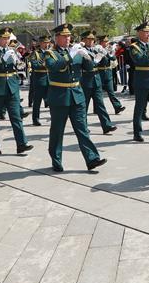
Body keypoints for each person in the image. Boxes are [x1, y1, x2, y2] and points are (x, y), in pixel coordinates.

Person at [43, 24, 107, 172]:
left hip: (77, 95)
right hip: (59, 96)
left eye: (69, 36)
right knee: (57, 131)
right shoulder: (50, 54)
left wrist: (92, 57)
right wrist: (71, 55)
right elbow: (55, 66)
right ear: (57, 37)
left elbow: (90, 68)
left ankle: (92, 158)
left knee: (82, 129)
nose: (68, 39)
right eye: (64, 36)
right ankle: (56, 159)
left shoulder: (76, 51)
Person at [0, 27, 33, 155]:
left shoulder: (11, 51)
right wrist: (2, 60)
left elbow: (19, 66)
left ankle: (21, 144)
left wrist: (18, 62)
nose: (6, 41)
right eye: (4, 38)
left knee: (16, 117)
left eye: (7, 38)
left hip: (12, 87)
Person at [79, 30, 117, 134]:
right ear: (84, 40)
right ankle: (83, 127)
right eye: (89, 39)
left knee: (100, 105)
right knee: (84, 106)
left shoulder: (95, 50)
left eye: (92, 39)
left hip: (96, 80)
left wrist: (104, 55)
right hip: (86, 80)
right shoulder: (81, 51)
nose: (91, 41)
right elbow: (85, 65)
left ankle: (107, 125)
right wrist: (93, 59)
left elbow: (105, 62)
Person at [97, 35, 125, 115]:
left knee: (111, 91)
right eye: (105, 42)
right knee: (97, 92)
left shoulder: (108, 49)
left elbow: (113, 58)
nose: (107, 43)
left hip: (108, 72)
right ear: (101, 42)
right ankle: (96, 108)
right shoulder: (97, 49)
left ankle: (117, 107)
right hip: (100, 72)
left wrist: (111, 52)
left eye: (107, 41)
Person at [28, 35, 52, 125]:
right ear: (41, 43)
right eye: (45, 43)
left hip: (50, 79)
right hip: (39, 79)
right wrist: (46, 63)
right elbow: (35, 65)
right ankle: (35, 119)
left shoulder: (50, 52)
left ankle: (53, 117)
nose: (46, 44)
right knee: (37, 101)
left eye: (48, 43)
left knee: (51, 100)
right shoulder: (35, 53)